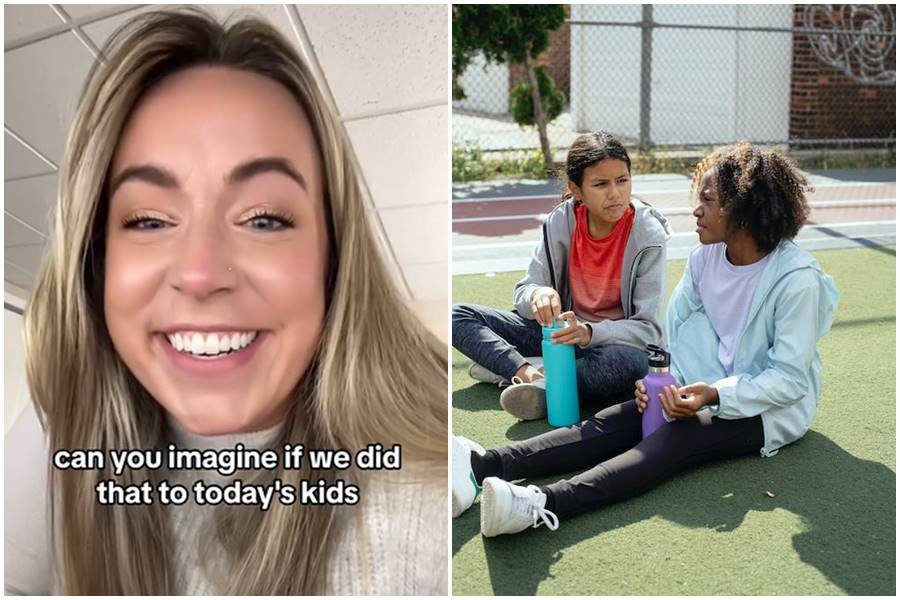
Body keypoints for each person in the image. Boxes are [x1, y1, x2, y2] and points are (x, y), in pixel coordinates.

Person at [5, 9, 447, 595]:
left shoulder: (427, 498)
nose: (200, 272)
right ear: (96, 263)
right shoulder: (61, 429)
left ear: (333, 258)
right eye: (148, 219)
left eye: (264, 218)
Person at [452, 142, 839, 537]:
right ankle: (482, 464)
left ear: (744, 207)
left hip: (768, 410)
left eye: (708, 200)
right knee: (618, 417)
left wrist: (714, 396)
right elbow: (677, 338)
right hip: (697, 389)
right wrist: (660, 384)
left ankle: (543, 505)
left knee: (677, 437)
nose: (696, 210)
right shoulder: (703, 261)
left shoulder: (797, 281)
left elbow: (790, 380)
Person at [452, 131, 672, 426]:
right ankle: (526, 372)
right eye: (600, 184)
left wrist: (591, 332)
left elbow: (650, 330)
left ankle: (521, 374)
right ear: (576, 189)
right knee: (456, 316)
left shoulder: (648, 235)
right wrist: (537, 294)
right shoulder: (560, 221)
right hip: (558, 336)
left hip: (611, 345)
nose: (615, 193)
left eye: (622, 180)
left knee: (625, 365)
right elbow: (524, 291)